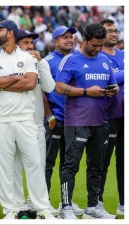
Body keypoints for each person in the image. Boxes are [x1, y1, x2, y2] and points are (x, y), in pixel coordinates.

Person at [0, 20, 55, 219]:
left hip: (25, 118)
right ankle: (11, 210)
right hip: (0, 118)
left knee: (34, 165)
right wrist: (15, 78)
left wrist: (1, 84)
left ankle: (42, 209)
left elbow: (30, 84)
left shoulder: (28, 57)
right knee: (5, 168)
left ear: (11, 33)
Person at [55, 23, 118, 219]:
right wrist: (85, 92)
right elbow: (58, 87)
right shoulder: (70, 60)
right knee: (71, 166)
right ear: (85, 40)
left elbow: (112, 82)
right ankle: (66, 207)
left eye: (100, 45)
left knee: (97, 166)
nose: (98, 49)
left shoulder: (105, 61)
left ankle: (93, 207)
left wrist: (113, 89)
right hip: (76, 122)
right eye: (94, 45)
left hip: (100, 121)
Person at [11, 29, 56, 219]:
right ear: (16, 44)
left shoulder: (40, 63)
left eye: (31, 43)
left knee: (37, 165)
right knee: (14, 167)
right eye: (25, 43)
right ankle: (18, 206)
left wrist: (42, 64)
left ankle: (37, 205)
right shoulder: (8, 62)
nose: (30, 46)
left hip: (35, 123)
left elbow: (49, 87)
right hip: (13, 120)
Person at [43, 26, 84, 216]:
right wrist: (48, 114)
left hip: (73, 119)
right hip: (55, 118)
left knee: (68, 163)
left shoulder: (76, 59)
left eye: (71, 37)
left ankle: (65, 202)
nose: (69, 40)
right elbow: (41, 91)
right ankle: (44, 202)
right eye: (64, 37)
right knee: (48, 162)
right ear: (55, 41)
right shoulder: (47, 62)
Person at [98, 18, 124, 216]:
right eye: (109, 31)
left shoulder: (123, 55)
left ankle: (124, 202)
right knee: (102, 161)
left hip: (125, 116)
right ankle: (96, 201)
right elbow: (107, 82)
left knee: (124, 161)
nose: (114, 34)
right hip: (107, 115)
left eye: (115, 30)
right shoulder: (98, 57)